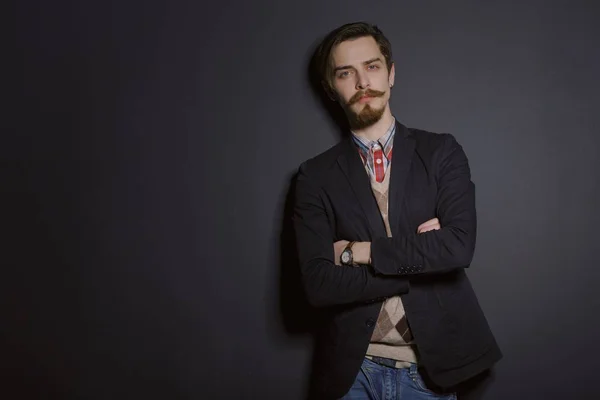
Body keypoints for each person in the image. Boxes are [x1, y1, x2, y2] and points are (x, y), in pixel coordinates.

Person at [293, 22, 502, 400]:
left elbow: (457, 248)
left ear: (390, 73)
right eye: (345, 73)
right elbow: (318, 285)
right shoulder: (314, 176)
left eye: (372, 67)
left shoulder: (441, 152)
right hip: (351, 372)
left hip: (431, 373)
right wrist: (423, 262)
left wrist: (356, 252)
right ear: (331, 89)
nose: (362, 82)